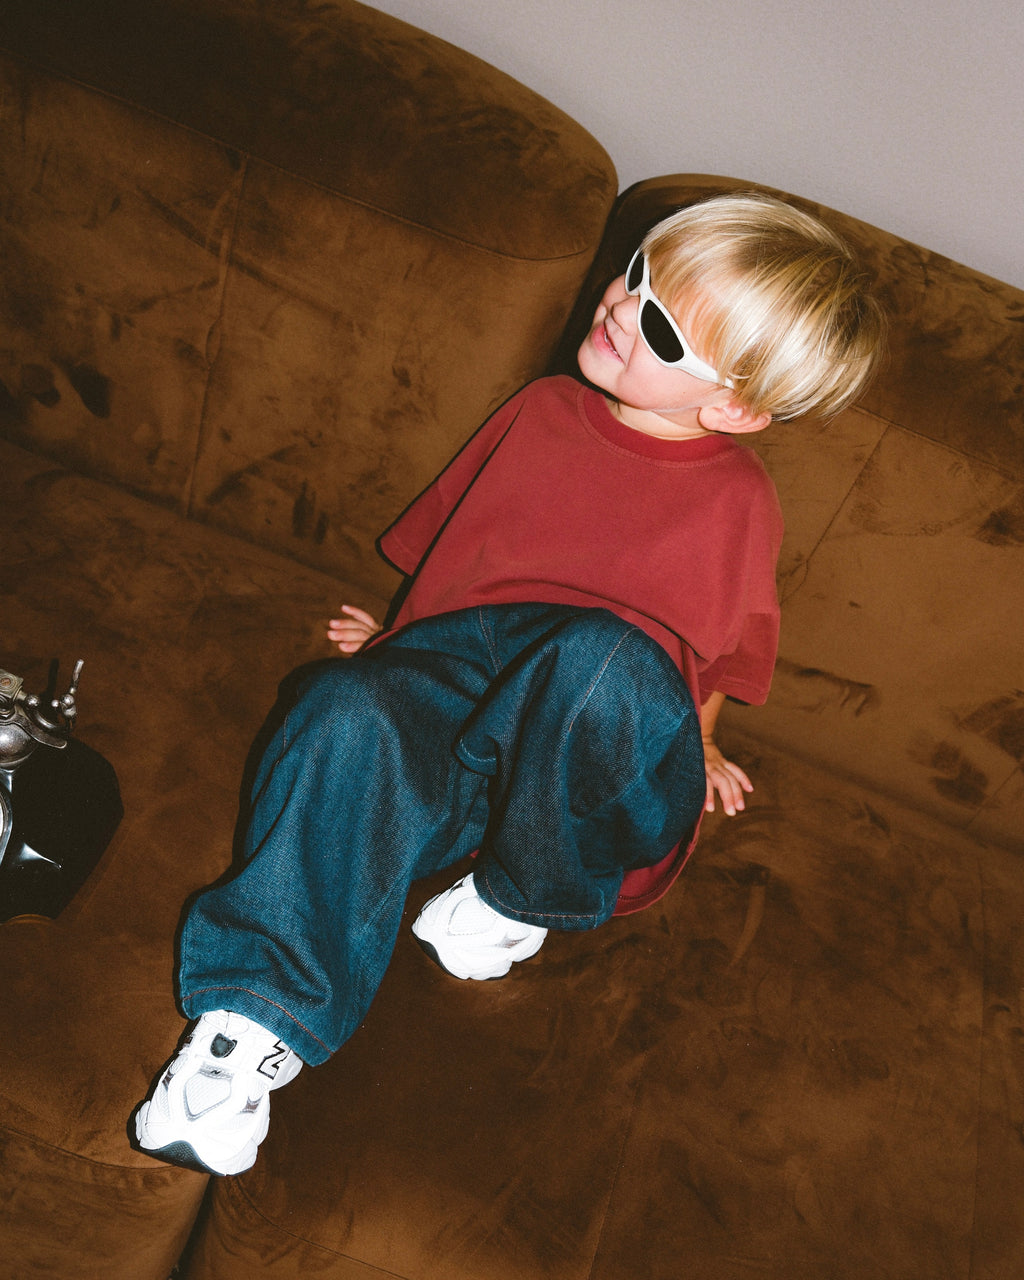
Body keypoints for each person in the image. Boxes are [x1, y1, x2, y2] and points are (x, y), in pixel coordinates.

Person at [133, 192, 885, 1176]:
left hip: (591, 773)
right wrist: (399, 647)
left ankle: (517, 893)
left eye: (655, 323)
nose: (617, 305)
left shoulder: (737, 499)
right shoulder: (538, 410)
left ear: (735, 405)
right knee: (334, 705)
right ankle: (242, 1036)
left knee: (603, 658)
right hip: (455, 710)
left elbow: (707, 655)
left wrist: (693, 741)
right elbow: (465, 549)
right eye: (636, 274)